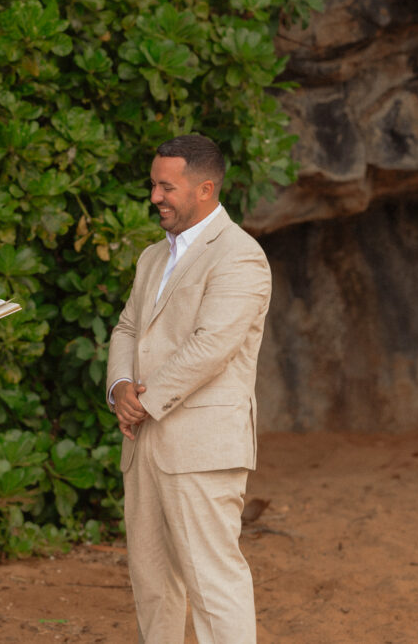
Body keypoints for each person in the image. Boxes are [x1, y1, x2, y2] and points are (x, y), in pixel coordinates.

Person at [106, 134, 272, 643]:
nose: (155, 196)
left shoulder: (241, 256)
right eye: (153, 184)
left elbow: (211, 346)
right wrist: (119, 390)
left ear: (205, 188)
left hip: (200, 446)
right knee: (152, 585)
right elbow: (127, 327)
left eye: (166, 186)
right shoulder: (153, 257)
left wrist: (144, 402)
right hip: (144, 442)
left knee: (212, 582)